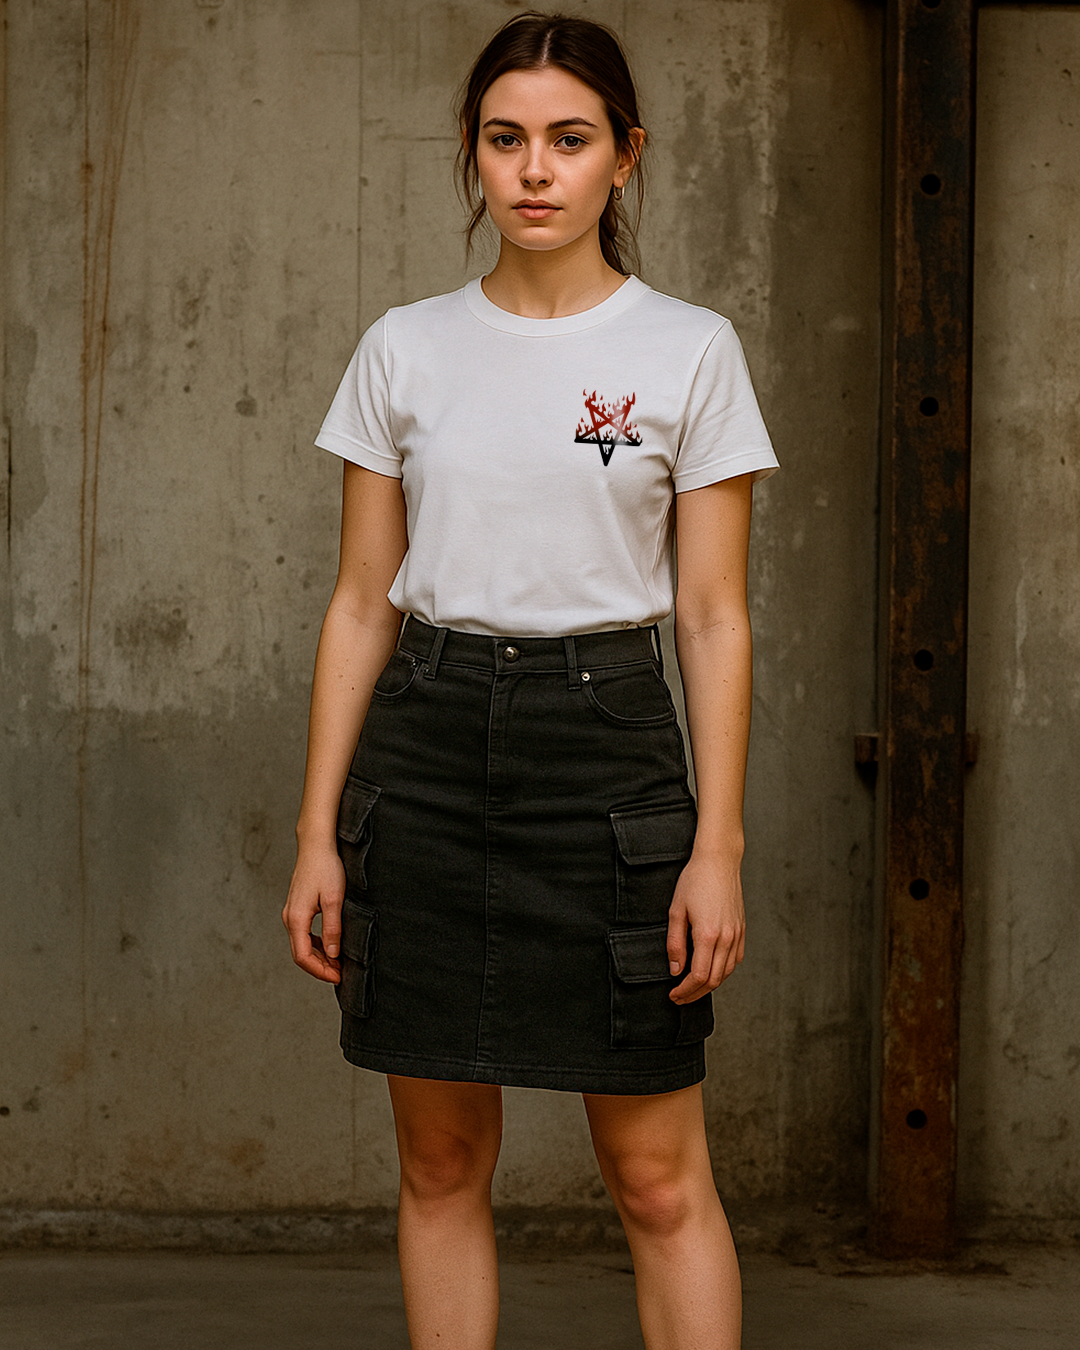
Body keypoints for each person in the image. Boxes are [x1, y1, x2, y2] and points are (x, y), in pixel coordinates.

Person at [283, 11, 778, 1348]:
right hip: (427, 754)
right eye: (507, 139)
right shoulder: (404, 347)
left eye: (570, 139)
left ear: (627, 154)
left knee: (658, 1179)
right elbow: (360, 600)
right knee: (442, 1162)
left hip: (608, 753)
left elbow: (715, 615)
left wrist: (716, 846)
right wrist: (318, 831)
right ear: (472, 152)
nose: (537, 170)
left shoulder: (689, 350)